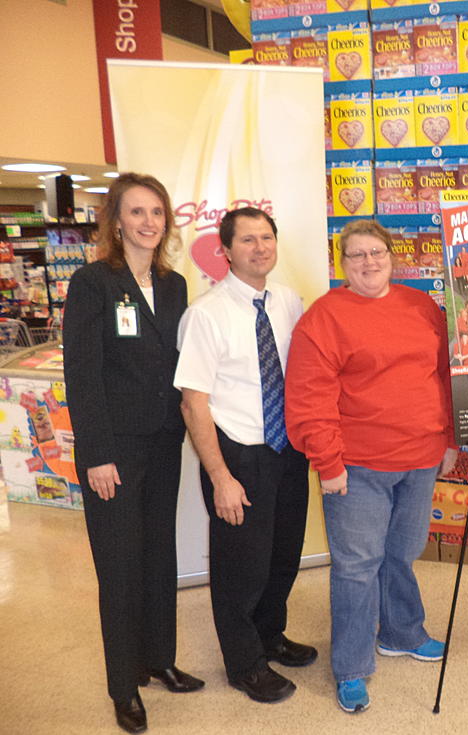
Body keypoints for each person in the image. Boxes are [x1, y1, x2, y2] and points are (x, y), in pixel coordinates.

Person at [284, 219, 457, 714]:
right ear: (343, 264)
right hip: (356, 466)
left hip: (421, 458)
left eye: (376, 252)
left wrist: (449, 437)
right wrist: (328, 462)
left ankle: (402, 632)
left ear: (391, 255)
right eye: (356, 255)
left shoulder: (421, 306)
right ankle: (353, 667)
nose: (369, 262)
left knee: (401, 553)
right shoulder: (325, 317)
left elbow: (446, 376)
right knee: (358, 567)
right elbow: (309, 397)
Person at [63, 172, 203, 733]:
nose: (148, 223)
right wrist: (96, 453)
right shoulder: (93, 282)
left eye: (157, 213)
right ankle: (124, 686)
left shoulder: (173, 285)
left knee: (157, 555)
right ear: (116, 221)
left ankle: (159, 659)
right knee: (119, 568)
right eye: (137, 212)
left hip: (163, 440)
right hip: (112, 450)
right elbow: (83, 373)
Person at [175, 207, 316, 705]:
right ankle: (244, 664)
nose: (260, 248)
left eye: (267, 238)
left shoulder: (290, 302)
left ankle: (269, 636)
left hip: (287, 450)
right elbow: (194, 403)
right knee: (241, 570)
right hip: (237, 455)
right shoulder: (205, 314)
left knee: (283, 557)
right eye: (248, 240)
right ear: (226, 251)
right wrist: (220, 477)